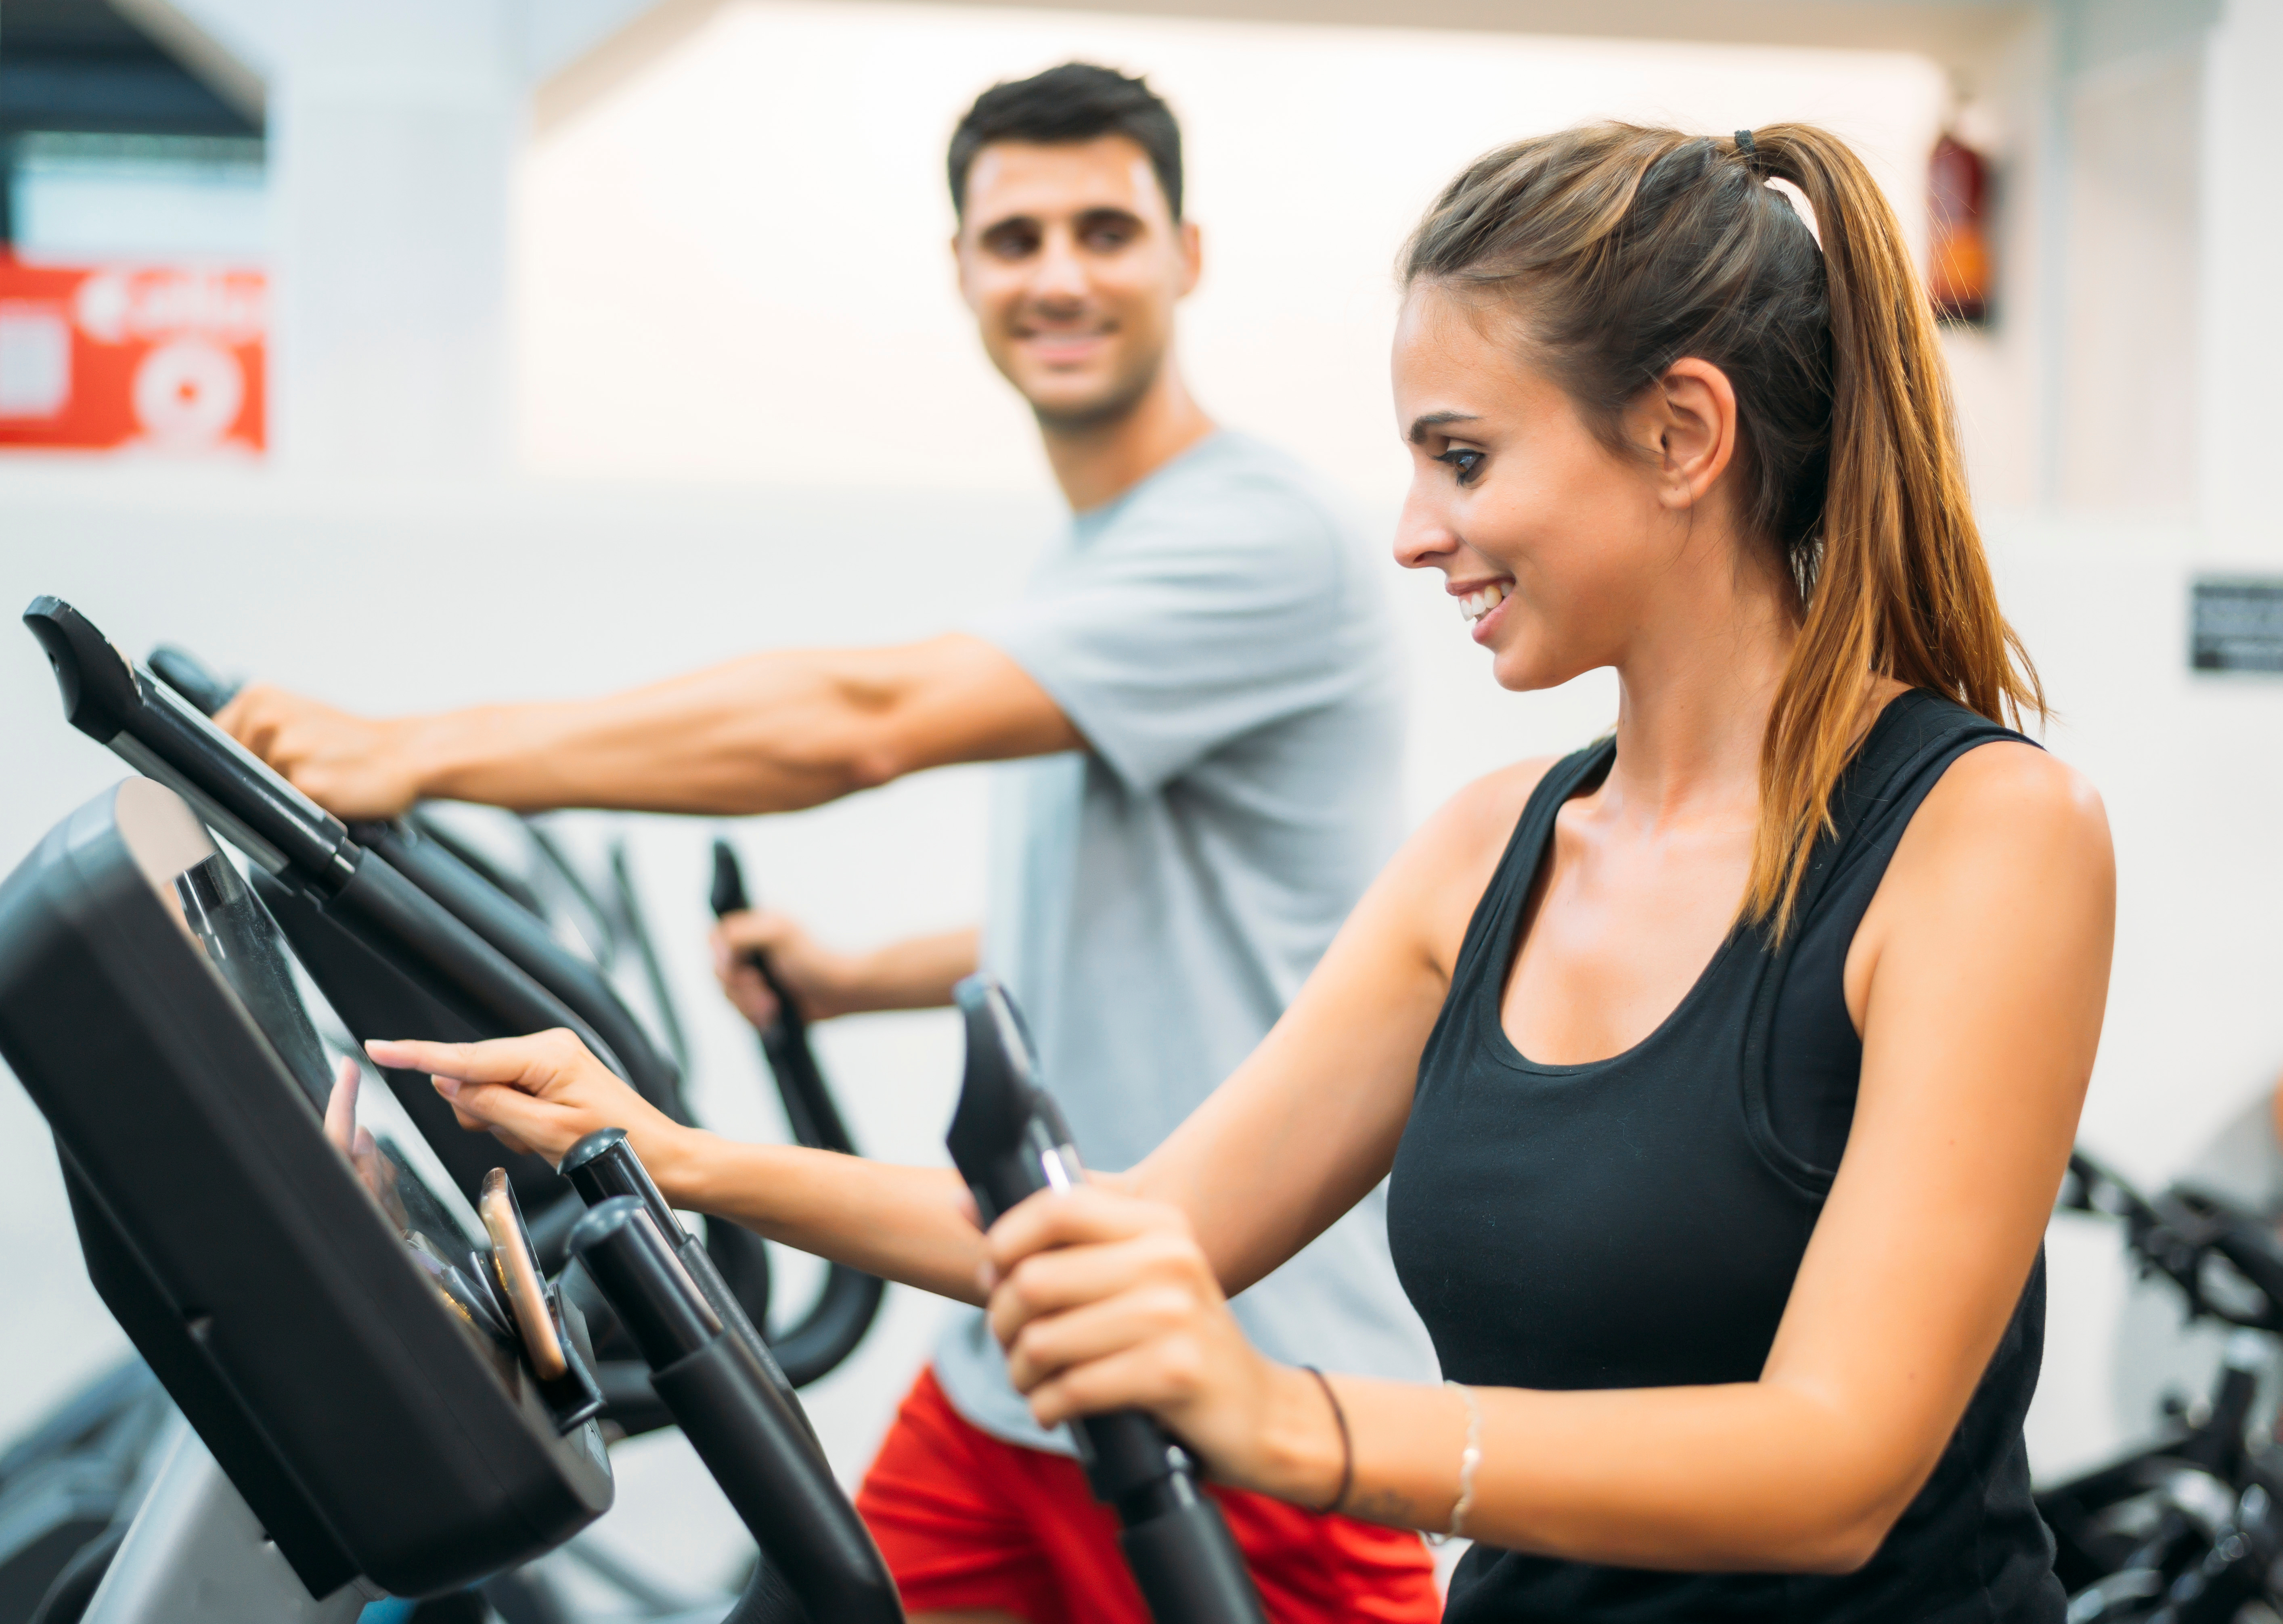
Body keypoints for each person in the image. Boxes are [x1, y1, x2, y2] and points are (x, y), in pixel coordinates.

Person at [373, 119, 2120, 1620]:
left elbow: (1834, 1464)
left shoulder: (1982, 838)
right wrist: (671, 1154)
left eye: (1464, 456)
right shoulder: (1488, 855)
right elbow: (1143, 1230)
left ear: (1681, 434)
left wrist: (1292, 1423)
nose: (1416, 529)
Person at [220, 62, 1442, 1624]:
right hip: (1019, 1368)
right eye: (1015, 239)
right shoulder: (1107, 549)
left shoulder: (1259, 536)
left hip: (1243, 1380)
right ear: (962, 273)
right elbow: (1182, 912)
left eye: (1104, 230)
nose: (1059, 274)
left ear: (1185, 256)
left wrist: (422, 745)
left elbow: (858, 720)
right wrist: (859, 976)